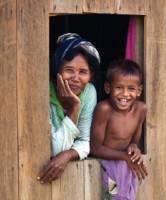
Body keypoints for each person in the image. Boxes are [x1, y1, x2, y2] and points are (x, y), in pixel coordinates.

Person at [37, 33, 100, 183]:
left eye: (83, 72)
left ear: (91, 76)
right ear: (56, 70)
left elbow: (85, 141)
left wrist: (68, 155)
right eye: (69, 70)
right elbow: (55, 150)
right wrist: (73, 110)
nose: (75, 78)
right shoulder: (43, 91)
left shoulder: (89, 92)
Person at [90, 59, 148, 200]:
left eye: (131, 89)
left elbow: (135, 139)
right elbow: (95, 148)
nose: (125, 94)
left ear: (139, 91)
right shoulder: (104, 109)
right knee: (112, 196)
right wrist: (124, 157)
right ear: (108, 88)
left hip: (128, 167)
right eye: (119, 88)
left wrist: (134, 146)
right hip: (107, 167)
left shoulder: (141, 109)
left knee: (128, 196)